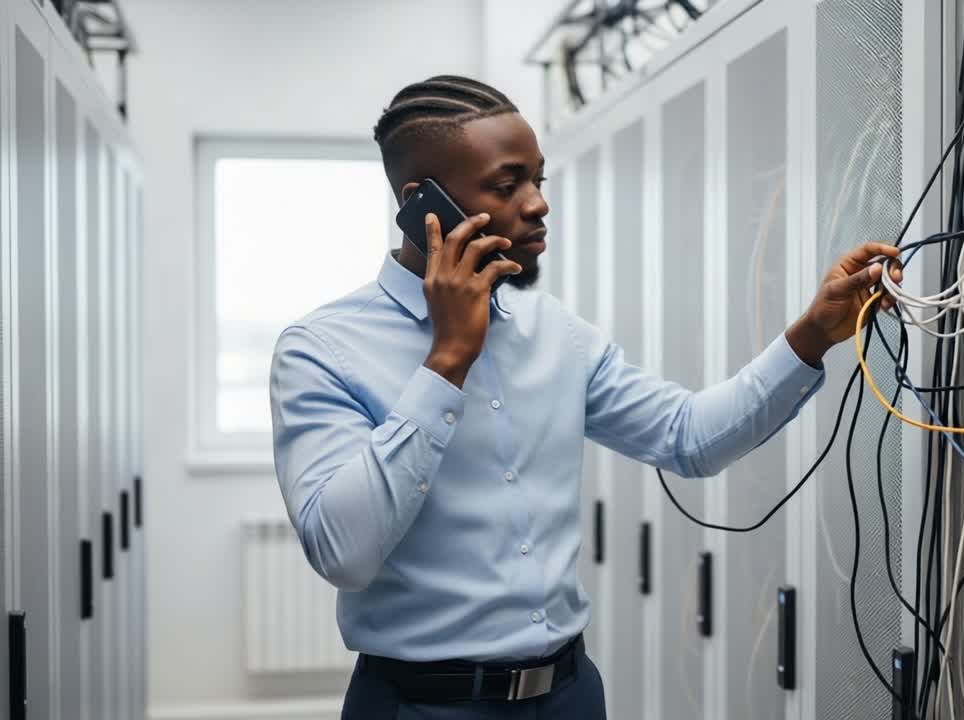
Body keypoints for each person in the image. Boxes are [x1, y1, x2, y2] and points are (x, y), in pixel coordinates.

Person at [268, 75, 903, 719]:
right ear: (422, 202)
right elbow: (342, 551)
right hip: (421, 706)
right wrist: (448, 360)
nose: (537, 204)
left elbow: (689, 437)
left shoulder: (557, 336)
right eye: (506, 184)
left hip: (569, 697)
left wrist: (813, 334)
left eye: (538, 180)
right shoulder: (322, 349)